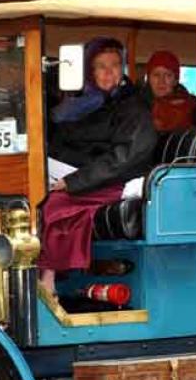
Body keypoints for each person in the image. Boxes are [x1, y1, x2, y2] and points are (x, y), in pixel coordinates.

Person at [39, 37, 158, 294]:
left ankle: (48, 281)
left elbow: (125, 157)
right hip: (84, 175)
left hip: (118, 179)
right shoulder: (83, 105)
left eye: (115, 65)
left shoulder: (134, 106)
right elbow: (68, 145)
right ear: (89, 72)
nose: (108, 72)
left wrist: (73, 182)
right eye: (100, 66)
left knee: (53, 206)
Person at [140, 50, 196, 132]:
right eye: (156, 75)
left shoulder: (194, 109)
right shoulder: (137, 107)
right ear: (149, 79)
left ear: (175, 80)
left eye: (168, 75)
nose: (161, 81)